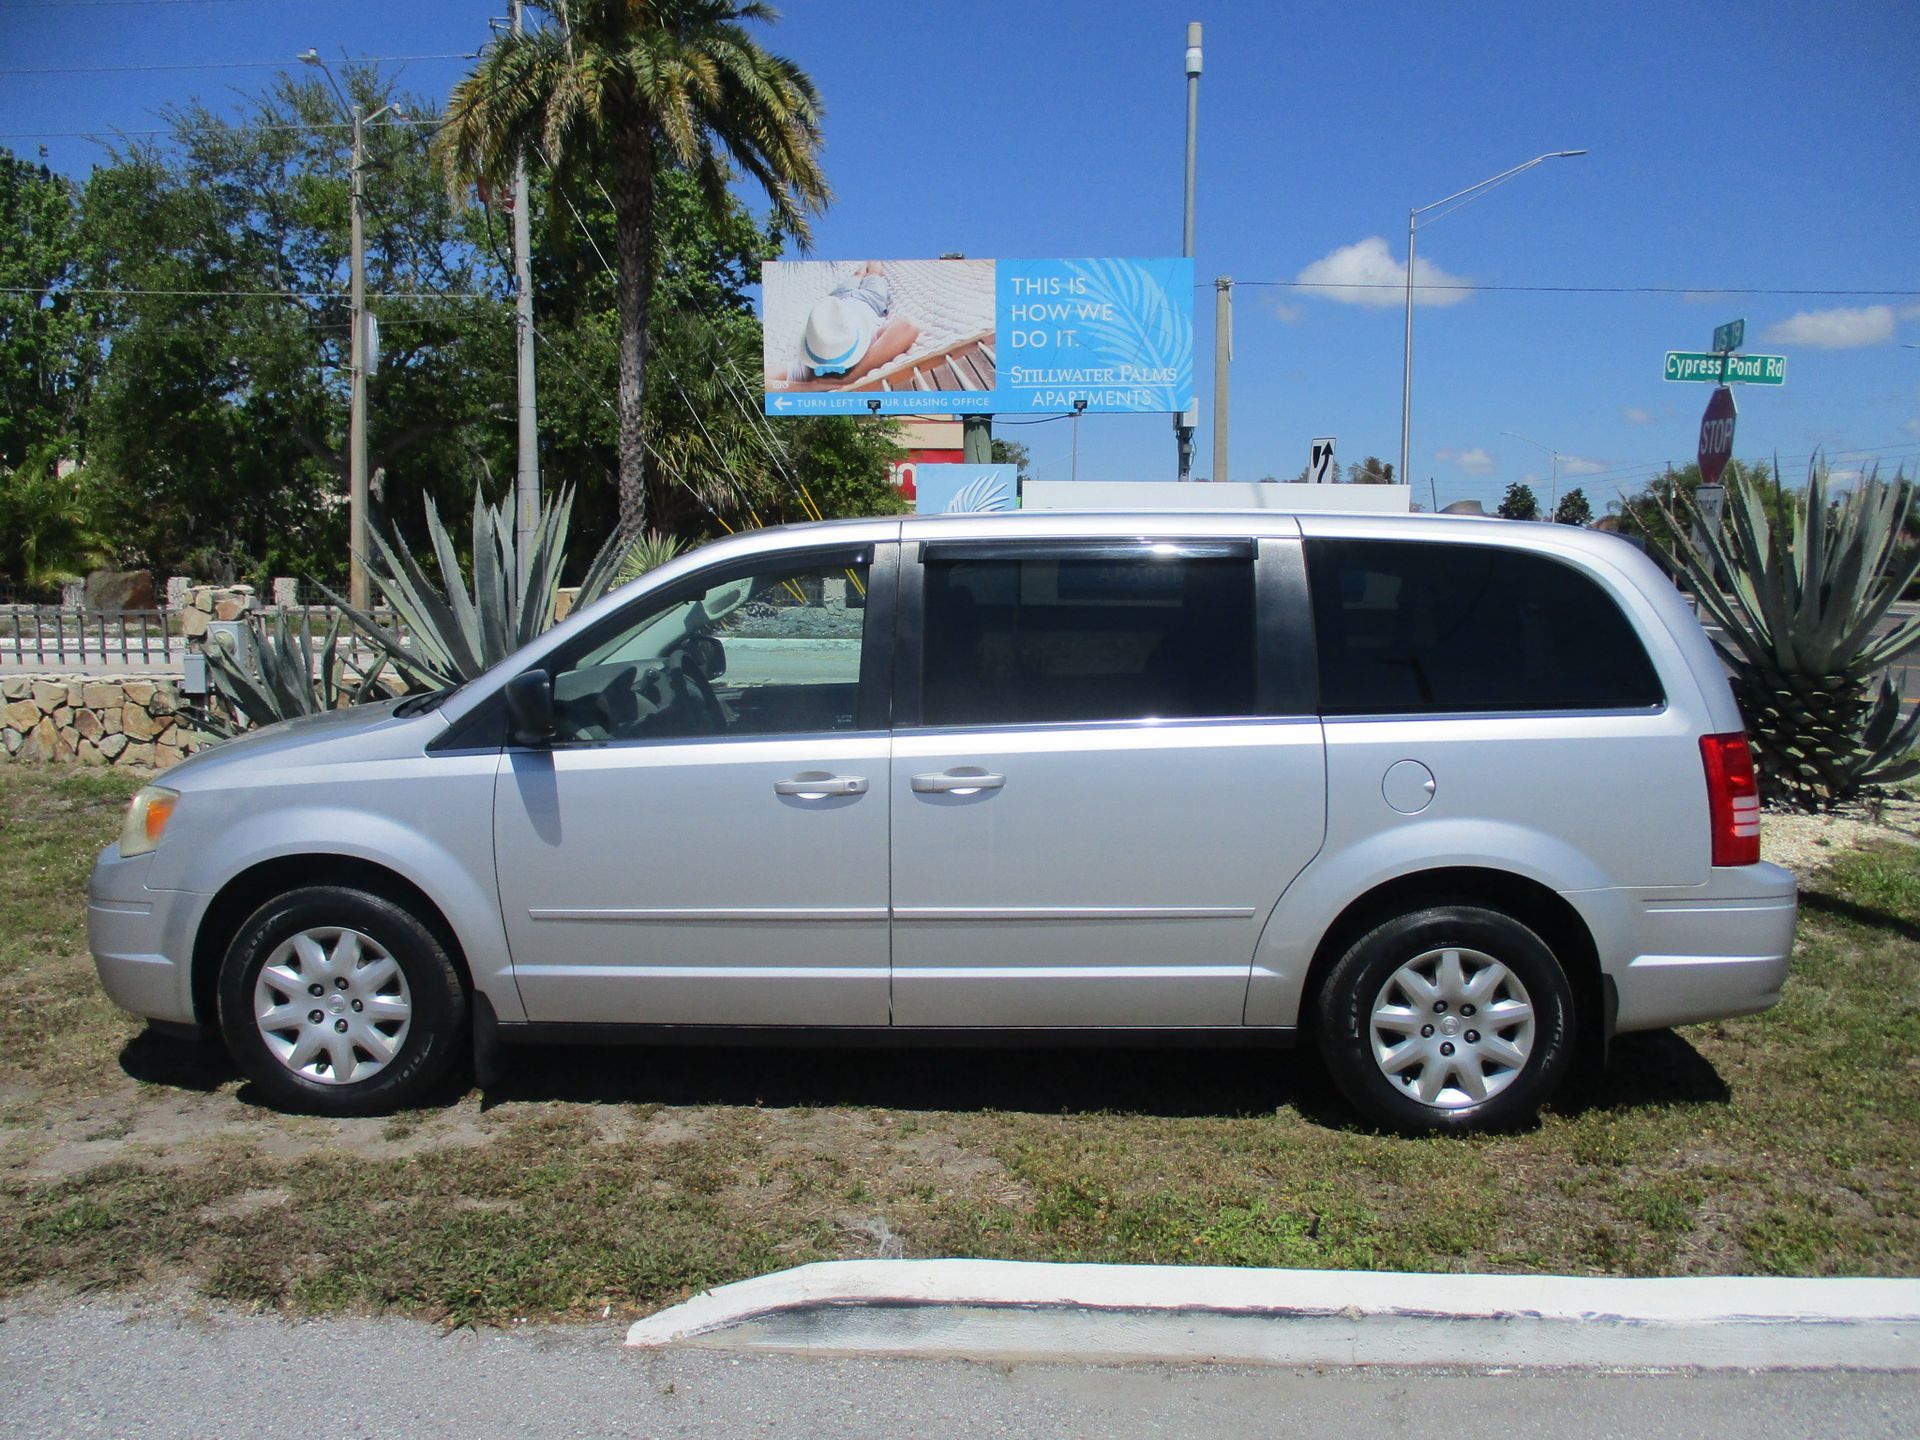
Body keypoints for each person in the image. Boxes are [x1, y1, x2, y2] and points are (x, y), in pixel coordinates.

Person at [771, 262, 920, 390]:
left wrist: (847, 379)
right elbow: (908, 326)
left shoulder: (809, 365)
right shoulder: (818, 356)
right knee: (872, 273)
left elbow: (908, 325)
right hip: (870, 300)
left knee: (862, 273)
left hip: (836, 301)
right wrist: (811, 387)